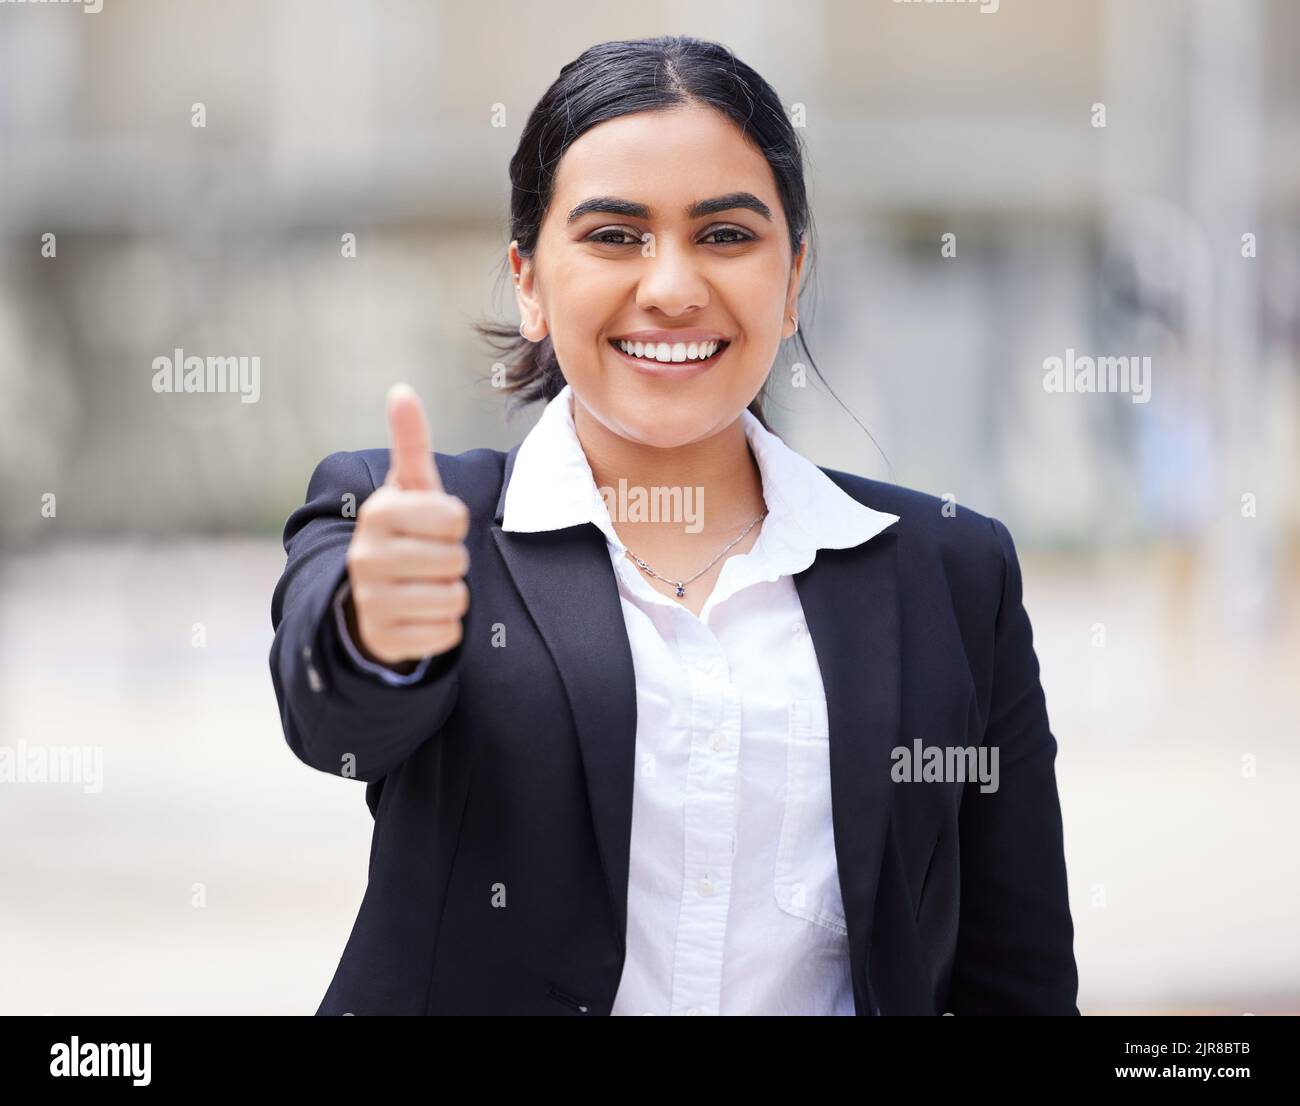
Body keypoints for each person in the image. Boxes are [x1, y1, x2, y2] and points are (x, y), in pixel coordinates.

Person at [268, 35, 1079, 1016]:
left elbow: (1016, 975)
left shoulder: (951, 572)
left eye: (726, 235)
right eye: (614, 235)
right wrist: (378, 632)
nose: (671, 286)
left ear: (793, 278)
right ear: (527, 279)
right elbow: (334, 718)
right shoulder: (415, 523)